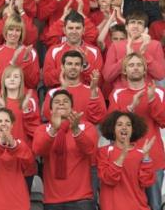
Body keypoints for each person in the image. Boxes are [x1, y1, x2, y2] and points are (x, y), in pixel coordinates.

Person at [108, 52, 165, 210]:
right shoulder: (117, 94)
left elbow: (163, 121)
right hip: (125, 159)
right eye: (131, 65)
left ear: (145, 70)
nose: (135, 68)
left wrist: (152, 100)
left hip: (153, 157)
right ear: (124, 70)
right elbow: (112, 127)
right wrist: (131, 107)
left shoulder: (158, 92)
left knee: (154, 205)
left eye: (139, 65)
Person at [33, 89, 98, 209]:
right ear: (51, 110)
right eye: (57, 102)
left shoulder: (86, 126)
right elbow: (38, 150)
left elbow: (90, 149)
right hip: (52, 200)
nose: (61, 103)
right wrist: (53, 129)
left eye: (65, 101)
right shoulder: (42, 129)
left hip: (81, 199)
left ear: (72, 108)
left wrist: (76, 130)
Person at [98, 111, 156, 210]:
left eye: (128, 125)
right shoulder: (104, 151)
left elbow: (146, 182)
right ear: (113, 129)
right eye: (119, 124)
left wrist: (146, 156)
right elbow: (108, 179)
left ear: (133, 129)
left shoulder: (141, 152)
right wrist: (123, 155)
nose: (124, 127)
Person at [0, 107, 34, 210]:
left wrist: (13, 145)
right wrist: (1, 143)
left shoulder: (21, 145)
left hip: (19, 205)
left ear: (12, 125)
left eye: (7, 121)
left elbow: (30, 165)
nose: (3, 124)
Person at [103, 11, 165, 91]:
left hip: (147, 94)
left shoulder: (155, 45)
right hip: (122, 94)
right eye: (132, 22)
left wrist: (144, 53)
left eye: (140, 23)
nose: (135, 26)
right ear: (126, 27)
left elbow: (160, 75)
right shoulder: (115, 46)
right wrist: (126, 58)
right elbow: (107, 77)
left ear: (145, 29)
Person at [42, 50, 106, 124]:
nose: (73, 67)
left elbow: (98, 118)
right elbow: (49, 116)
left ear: (82, 68)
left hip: (84, 133)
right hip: (62, 134)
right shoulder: (52, 93)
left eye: (77, 64)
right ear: (62, 67)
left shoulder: (94, 90)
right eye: (69, 64)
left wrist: (93, 93)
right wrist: (63, 89)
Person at [43, 10, 103, 88]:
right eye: (70, 28)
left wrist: (85, 65)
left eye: (78, 28)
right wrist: (66, 67)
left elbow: (99, 82)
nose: (74, 31)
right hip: (61, 95)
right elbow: (47, 80)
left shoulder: (94, 51)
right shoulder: (53, 51)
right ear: (64, 30)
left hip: (85, 96)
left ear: (84, 30)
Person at [0, 65, 41, 150]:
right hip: (3, 153)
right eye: (8, 77)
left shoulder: (30, 102)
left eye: (16, 77)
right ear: (3, 80)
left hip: (24, 152)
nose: (12, 79)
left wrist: (27, 112)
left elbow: (35, 131)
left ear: (21, 81)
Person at [0, 14, 40, 97]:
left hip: (23, 100)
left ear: (22, 33)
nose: (14, 33)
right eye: (11, 29)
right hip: (2, 99)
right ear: (5, 31)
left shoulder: (31, 52)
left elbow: (33, 83)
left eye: (18, 30)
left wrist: (25, 62)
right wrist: (12, 62)